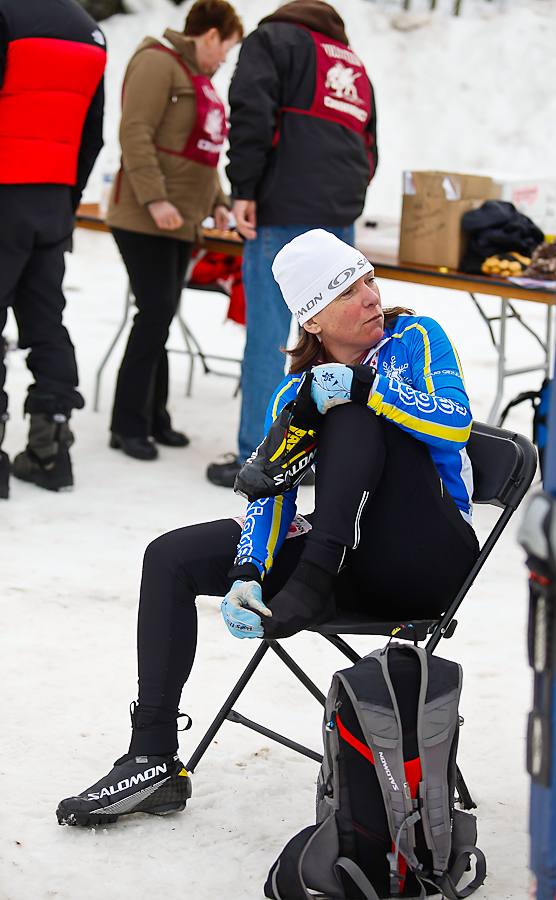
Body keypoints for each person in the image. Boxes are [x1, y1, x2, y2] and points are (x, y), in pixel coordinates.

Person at [57, 230, 479, 826]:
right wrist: (249, 571)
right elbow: (271, 489)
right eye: (348, 292)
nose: (370, 298)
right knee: (170, 556)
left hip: (425, 553)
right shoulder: (295, 390)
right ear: (312, 323)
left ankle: (313, 572)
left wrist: (365, 388)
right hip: (342, 559)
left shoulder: (417, 338)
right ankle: (152, 756)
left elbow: (454, 422)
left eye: (367, 281)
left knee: (351, 413)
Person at [206, 0, 377, 488]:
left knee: (270, 334)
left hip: (280, 210)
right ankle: (330, 453)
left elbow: (251, 111)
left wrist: (244, 187)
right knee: (337, 339)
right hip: (338, 215)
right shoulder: (351, 61)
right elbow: (370, 143)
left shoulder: (273, 41)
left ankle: (259, 455)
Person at [105, 0, 242, 461]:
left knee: (160, 315)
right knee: (155, 312)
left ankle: (152, 416)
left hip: (180, 223)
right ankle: (127, 424)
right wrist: (154, 198)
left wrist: (218, 202)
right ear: (209, 36)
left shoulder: (199, 81)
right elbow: (135, 132)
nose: (225, 58)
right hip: (144, 217)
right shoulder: (156, 62)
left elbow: (204, 156)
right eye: (226, 47)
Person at [0, 0, 106, 497]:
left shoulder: (7, 15)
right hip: (52, 201)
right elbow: (94, 132)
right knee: (46, 323)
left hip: (4, 189)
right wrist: (66, 195)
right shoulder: (89, 31)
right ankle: (51, 451)